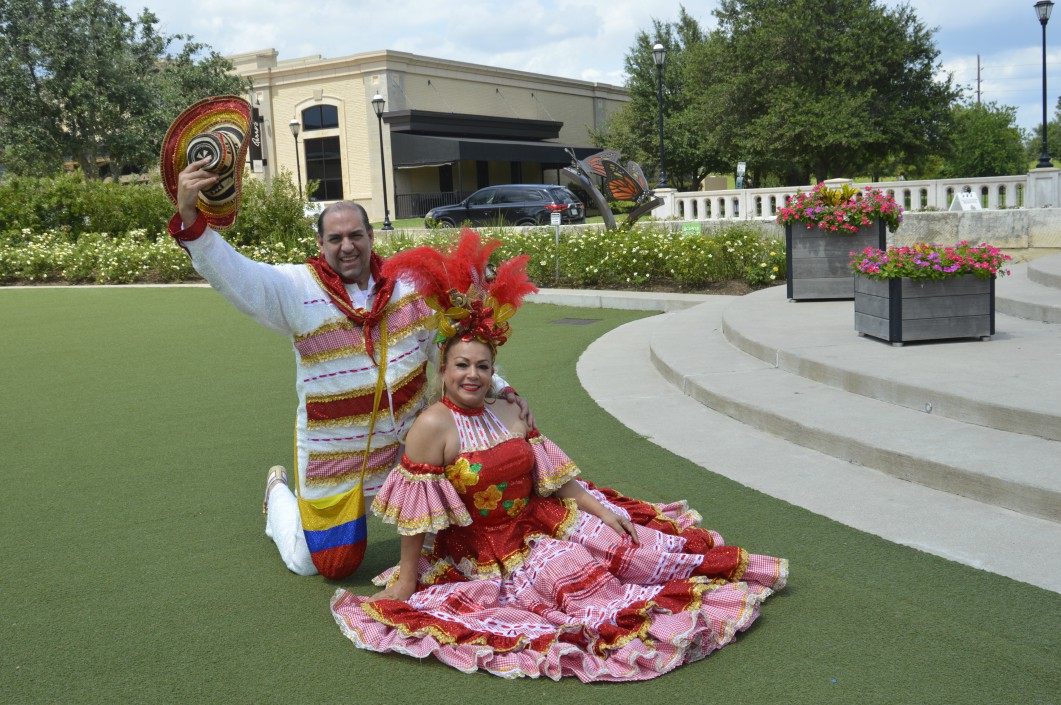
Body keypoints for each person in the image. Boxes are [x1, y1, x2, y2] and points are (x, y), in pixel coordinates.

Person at [330, 232, 788, 682]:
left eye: (482, 366)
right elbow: (418, 521)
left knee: (634, 548)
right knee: (580, 580)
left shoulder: (509, 407)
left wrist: (598, 508)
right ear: (442, 369)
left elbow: (553, 479)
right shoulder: (432, 426)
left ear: (493, 370)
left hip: (544, 516)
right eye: (461, 365)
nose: (472, 375)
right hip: (488, 552)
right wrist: (408, 577)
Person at [168, 159, 530, 580]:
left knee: (454, 543)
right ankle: (278, 494)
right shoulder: (294, 288)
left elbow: (451, 356)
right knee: (319, 565)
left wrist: (502, 391)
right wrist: (192, 221)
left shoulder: (410, 288)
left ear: (371, 237)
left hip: (409, 449)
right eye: (335, 238)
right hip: (333, 454)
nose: (347, 246)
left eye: (356, 235)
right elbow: (239, 276)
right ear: (320, 244)